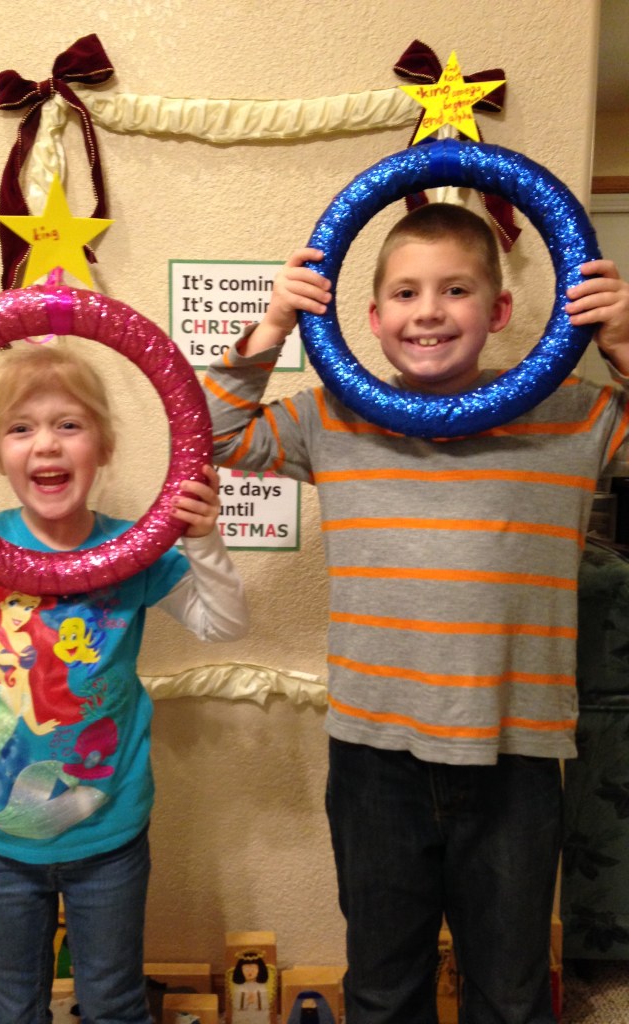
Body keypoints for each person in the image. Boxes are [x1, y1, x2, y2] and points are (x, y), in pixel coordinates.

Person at [203, 202, 629, 1024]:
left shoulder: (571, 412)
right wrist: (274, 323)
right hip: (375, 759)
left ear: (499, 311)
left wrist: (622, 345)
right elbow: (215, 436)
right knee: (382, 984)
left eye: (455, 289)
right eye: (403, 293)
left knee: (509, 991)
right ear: (369, 317)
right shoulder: (333, 414)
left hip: (516, 755)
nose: (427, 310)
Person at [0, 341, 248, 1024]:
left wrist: (203, 540)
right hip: (1, 836)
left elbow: (223, 624)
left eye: (69, 424)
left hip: (110, 834)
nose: (46, 444)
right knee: (12, 1008)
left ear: (102, 446)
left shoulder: (135, 547)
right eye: (21, 427)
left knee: (115, 1002)